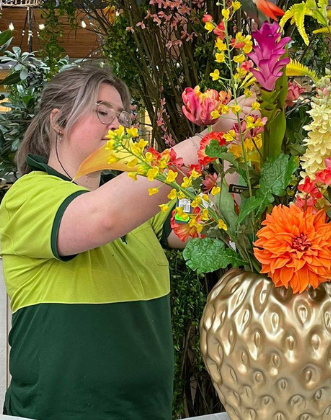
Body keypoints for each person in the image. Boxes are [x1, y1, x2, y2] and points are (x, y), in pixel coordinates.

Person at [0, 63, 245, 420]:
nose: (117, 125)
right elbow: (101, 217)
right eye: (102, 111)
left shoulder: (139, 201)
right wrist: (206, 139)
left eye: (123, 116)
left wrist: (236, 144)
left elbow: (222, 221)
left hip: (149, 411)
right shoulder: (27, 196)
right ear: (58, 121)